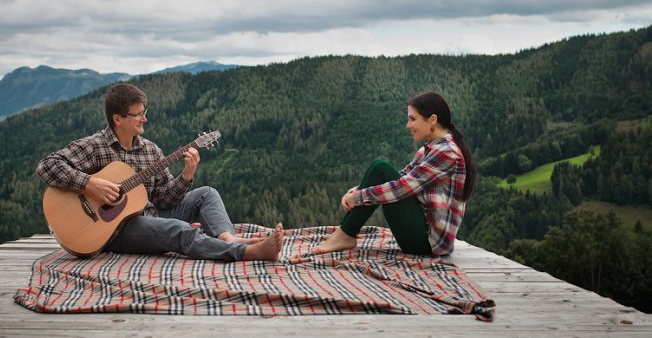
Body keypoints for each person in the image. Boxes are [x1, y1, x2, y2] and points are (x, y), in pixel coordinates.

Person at [36, 83, 283, 261]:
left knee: (207, 193)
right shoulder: (95, 145)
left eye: (144, 112)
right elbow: (48, 165)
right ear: (118, 119)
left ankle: (227, 238)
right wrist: (90, 184)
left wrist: (186, 176)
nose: (144, 119)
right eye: (138, 114)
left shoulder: (151, 150)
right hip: (115, 230)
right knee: (177, 230)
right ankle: (247, 252)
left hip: (149, 214)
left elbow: (164, 199)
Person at [313, 91, 477, 256]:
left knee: (381, 168)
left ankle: (346, 234)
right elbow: (403, 176)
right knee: (379, 167)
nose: (408, 125)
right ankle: (345, 232)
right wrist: (359, 190)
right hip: (422, 233)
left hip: (428, 243)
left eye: (413, 119)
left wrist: (357, 198)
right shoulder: (428, 150)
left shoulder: (446, 152)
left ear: (432, 119)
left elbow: (403, 188)